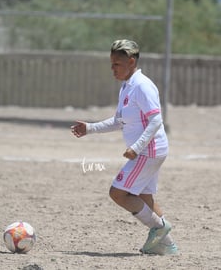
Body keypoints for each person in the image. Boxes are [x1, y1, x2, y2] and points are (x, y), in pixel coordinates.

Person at [70, 39, 177, 255]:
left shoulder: (142, 86)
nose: (112, 69)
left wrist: (136, 147)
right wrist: (90, 128)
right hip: (150, 150)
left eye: (116, 64)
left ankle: (158, 227)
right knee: (145, 198)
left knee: (118, 193)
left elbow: (156, 121)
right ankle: (167, 246)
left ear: (131, 62)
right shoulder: (127, 87)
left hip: (148, 151)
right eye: (111, 64)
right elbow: (119, 121)